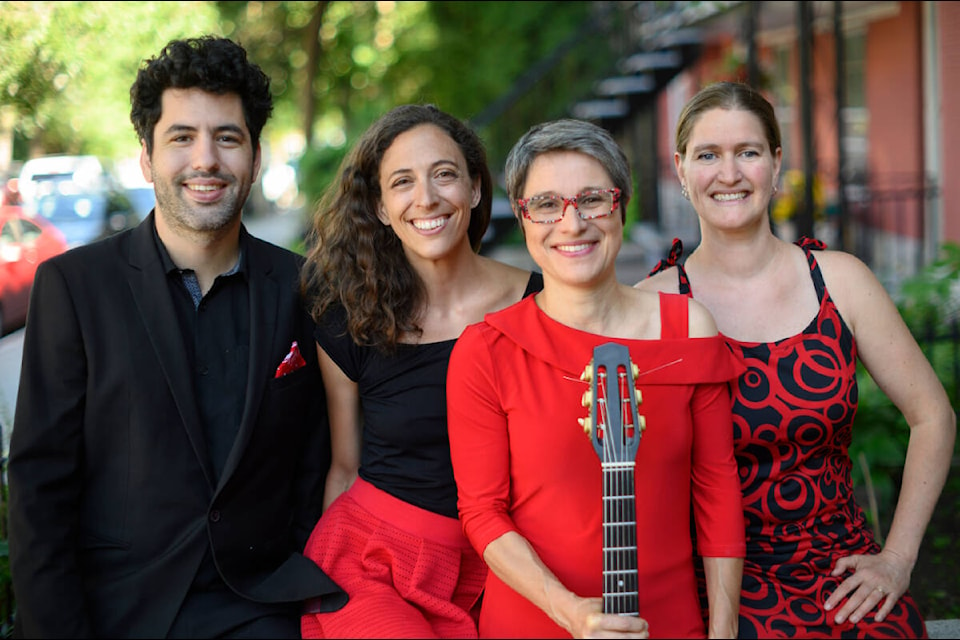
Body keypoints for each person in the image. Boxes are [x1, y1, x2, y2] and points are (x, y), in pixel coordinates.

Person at [8, 36, 346, 639]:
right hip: (119, 610)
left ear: (256, 156)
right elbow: (41, 488)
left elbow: (315, 458)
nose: (206, 160)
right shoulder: (73, 287)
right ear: (146, 156)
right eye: (181, 137)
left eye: (227, 137)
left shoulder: (304, 287)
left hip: (262, 605)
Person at [637, 80, 956, 638]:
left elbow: (933, 417)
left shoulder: (841, 280)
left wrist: (898, 559)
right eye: (708, 154)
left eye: (749, 152)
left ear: (776, 164)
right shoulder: (648, 306)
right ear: (681, 170)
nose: (729, 173)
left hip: (840, 566)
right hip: (712, 579)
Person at [446, 118, 748, 639]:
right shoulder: (487, 349)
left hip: (668, 618)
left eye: (593, 199)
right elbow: (483, 514)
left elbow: (717, 492)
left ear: (621, 206)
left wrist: (721, 633)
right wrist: (571, 612)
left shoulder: (686, 327)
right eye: (545, 204)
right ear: (523, 218)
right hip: (535, 619)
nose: (572, 222)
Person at [297, 103, 543, 638]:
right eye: (402, 182)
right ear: (382, 208)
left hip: (506, 561)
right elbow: (344, 468)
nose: (426, 198)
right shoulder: (351, 318)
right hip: (375, 561)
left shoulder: (539, 302)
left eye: (445, 175)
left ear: (476, 189)